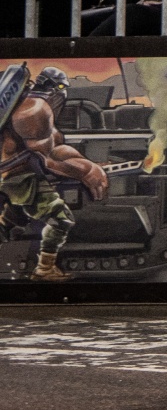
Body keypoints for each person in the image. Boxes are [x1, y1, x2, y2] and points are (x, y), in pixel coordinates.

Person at [1, 66, 109, 281]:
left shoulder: (28, 105)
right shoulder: (36, 109)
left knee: (11, 221)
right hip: (19, 179)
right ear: (58, 89)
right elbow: (48, 158)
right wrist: (86, 171)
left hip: (16, 176)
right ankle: (45, 269)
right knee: (61, 220)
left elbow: (56, 149)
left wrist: (87, 165)